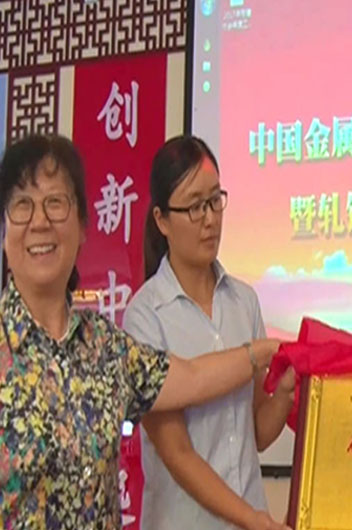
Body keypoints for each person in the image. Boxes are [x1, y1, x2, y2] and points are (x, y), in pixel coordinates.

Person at [0, 134, 286, 529]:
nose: (39, 222)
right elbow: (178, 452)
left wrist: (271, 354)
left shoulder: (105, 346)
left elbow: (192, 376)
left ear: (83, 226)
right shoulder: (144, 315)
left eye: (55, 203)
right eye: (22, 205)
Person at [123, 136, 294, 530]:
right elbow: (178, 454)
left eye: (215, 201)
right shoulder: (145, 317)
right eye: (195, 206)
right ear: (162, 220)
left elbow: (255, 432)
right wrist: (252, 518)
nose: (210, 219)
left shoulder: (244, 302)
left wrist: (285, 392)